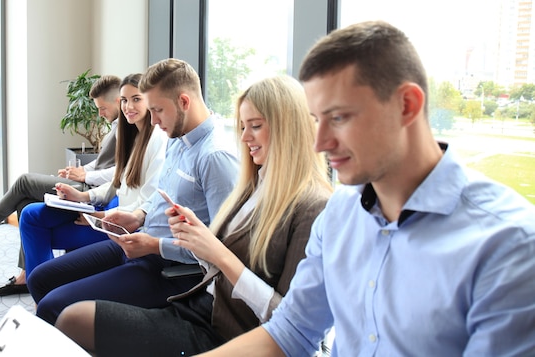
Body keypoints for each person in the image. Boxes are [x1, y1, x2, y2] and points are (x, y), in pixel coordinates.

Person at [199, 21, 535, 357]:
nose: (320, 144)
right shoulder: (340, 213)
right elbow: (291, 332)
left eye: (340, 117)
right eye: (317, 119)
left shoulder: (508, 245)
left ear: (407, 105)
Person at [53, 75, 333, 356]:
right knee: (70, 315)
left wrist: (217, 253)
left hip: (228, 332)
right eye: (242, 126)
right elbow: (211, 263)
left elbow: (289, 324)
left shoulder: (312, 207)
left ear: (289, 128)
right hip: (198, 305)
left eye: (255, 126)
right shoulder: (254, 184)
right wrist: (193, 237)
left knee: (72, 318)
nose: (245, 137)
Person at [25, 58, 240, 325]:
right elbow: (160, 193)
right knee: (40, 279)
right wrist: (138, 215)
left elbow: (224, 249)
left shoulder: (215, 157)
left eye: (158, 110)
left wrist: (155, 245)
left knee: (52, 308)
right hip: (142, 241)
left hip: (171, 269)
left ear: (184, 102)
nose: (153, 120)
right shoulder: (178, 139)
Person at [0, 74, 123, 296]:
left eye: (102, 108)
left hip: (92, 192)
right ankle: (27, 276)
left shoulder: (128, 128)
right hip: (87, 183)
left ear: (117, 101)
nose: (100, 114)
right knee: (25, 203)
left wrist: (85, 177)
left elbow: (121, 174)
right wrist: (80, 171)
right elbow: (103, 164)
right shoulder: (117, 127)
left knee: (24, 181)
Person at [18, 73, 167, 276]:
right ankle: (41, 285)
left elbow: (147, 202)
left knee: (36, 226)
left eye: (136, 99)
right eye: (124, 100)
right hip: (112, 206)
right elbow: (119, 182)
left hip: (121, 220)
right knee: (30, 214)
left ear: (150, 100)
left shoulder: (158, 140)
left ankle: (41, 285)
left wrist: (99, 216)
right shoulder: (133, 136)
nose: (128, 106)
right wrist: (81, 196)